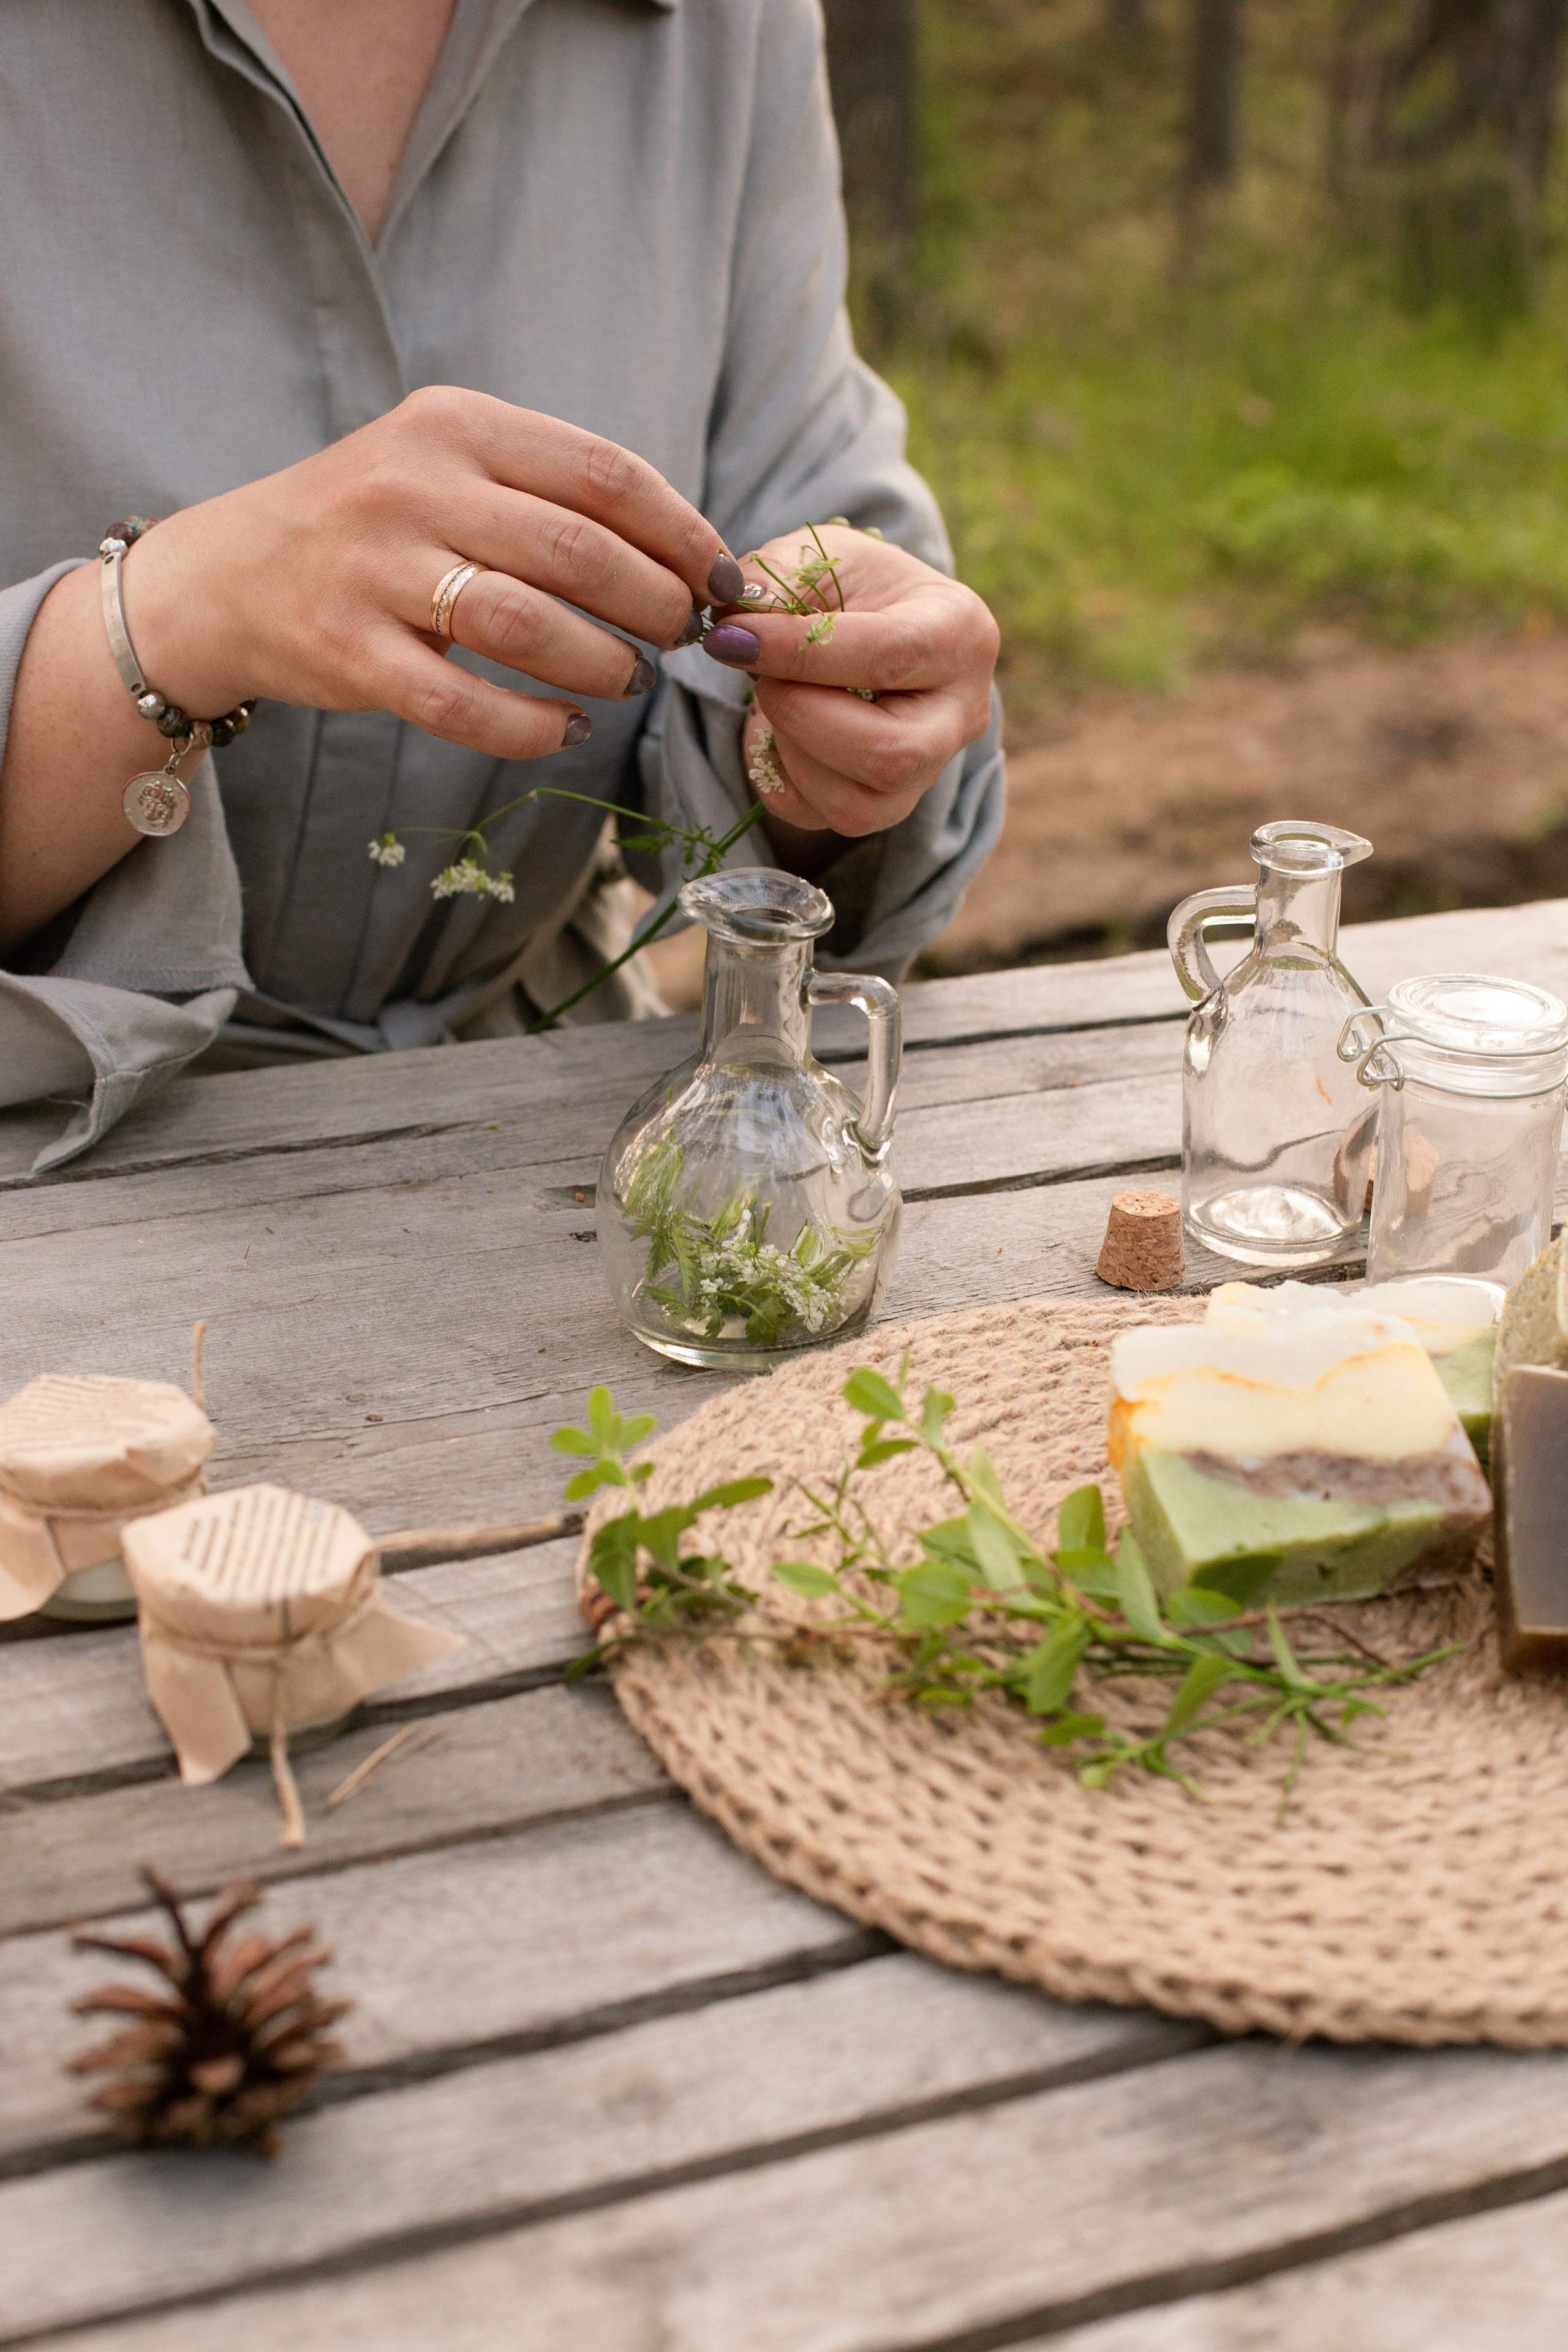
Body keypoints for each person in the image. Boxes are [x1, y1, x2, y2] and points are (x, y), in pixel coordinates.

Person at [0, 0, 1003, 1172]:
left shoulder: (724, 28)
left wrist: (832, 731)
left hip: (551, 1143)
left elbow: (805, 522)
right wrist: (174, 616)